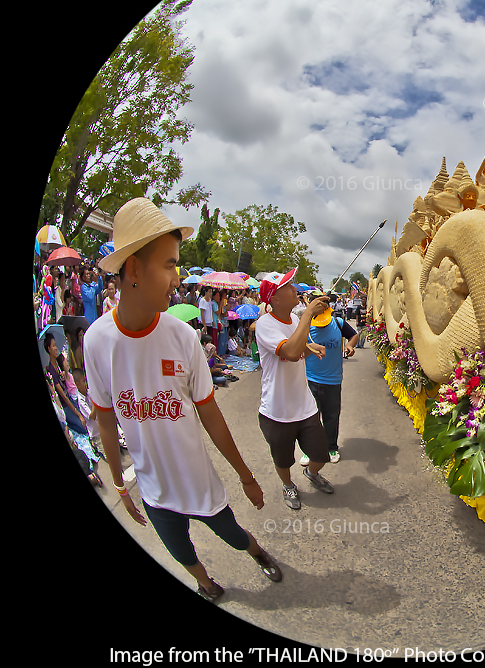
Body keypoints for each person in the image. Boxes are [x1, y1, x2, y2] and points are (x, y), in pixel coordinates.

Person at [83, 197, 282, 603]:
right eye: (170, 264)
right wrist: (121, 486)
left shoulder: (183, 338)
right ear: (134, 270)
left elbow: (210, 414)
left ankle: (258, 552)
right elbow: (105, 419)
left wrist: (245, 475)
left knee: (233, 535)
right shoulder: (96, 341)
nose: (177, 278)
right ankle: (205, 584)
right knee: (180, 550)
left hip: (198, 482)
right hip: (155, 492)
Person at [254, 267, 335, 510]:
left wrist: (309, 347)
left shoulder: (295, 320)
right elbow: (289, 352)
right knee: (284, 459)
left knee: (321, 455)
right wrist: (309, 313)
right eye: (288, 286)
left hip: (304, 405)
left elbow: (296, 343)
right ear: (274, 298)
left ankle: (312, 474)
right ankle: (288, 485)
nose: (295, 289)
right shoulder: (265, 325)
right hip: (278, 410)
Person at [301, 291, 358, 465]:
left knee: (331, 417)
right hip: (310, 379)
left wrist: (349, 344)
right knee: (310, 418)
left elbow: (354, 335)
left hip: (333, 380)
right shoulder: (305, 325)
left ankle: (331, 446)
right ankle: (308, 450)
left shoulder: (338, 322)